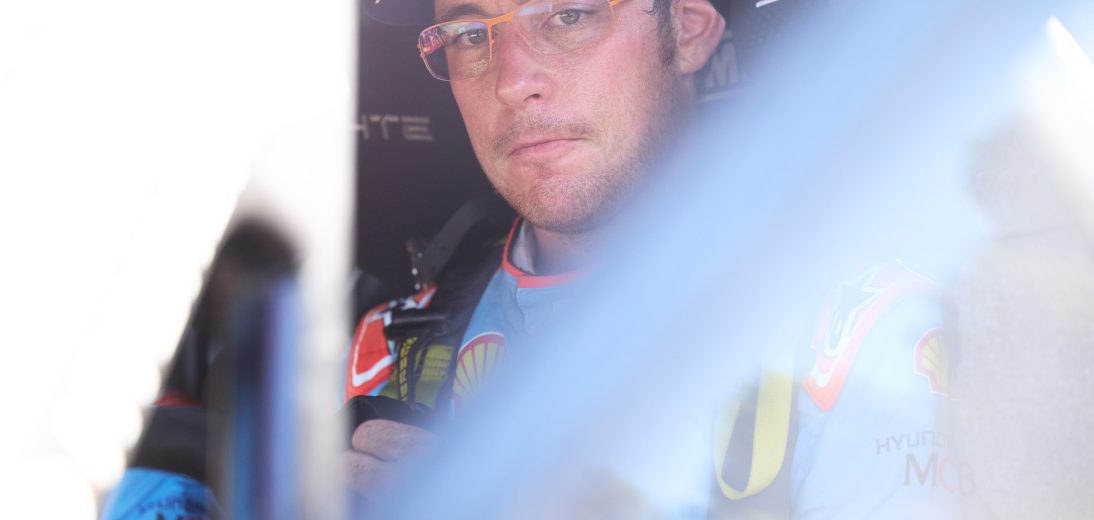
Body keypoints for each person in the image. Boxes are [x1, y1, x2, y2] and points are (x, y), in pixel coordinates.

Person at [344, 0, 969, 517]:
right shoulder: (390, 349)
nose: (510, 81)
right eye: (468, 33)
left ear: (689, 28)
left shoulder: (864, 334)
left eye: (568, 16)